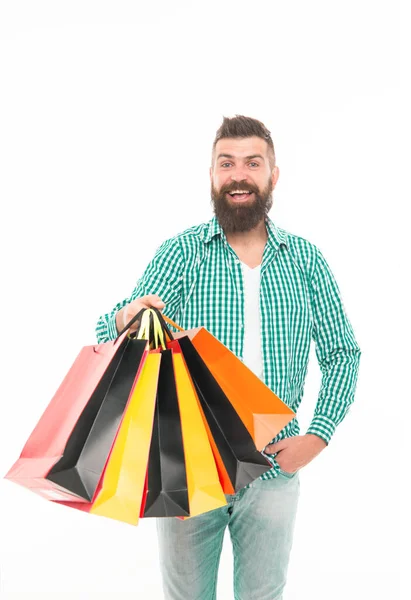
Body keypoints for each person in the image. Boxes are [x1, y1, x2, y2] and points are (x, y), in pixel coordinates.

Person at [96, 115, 361, 600]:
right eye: (227, 163)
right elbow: (117, 340)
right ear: (213, 176)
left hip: (275, 467)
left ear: (272, 176)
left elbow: (343, 352)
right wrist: (125, 318)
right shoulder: (183, 254)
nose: (239, 174)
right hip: (188, 464)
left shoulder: (306, 260)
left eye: (252, 163)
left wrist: (318, 435)